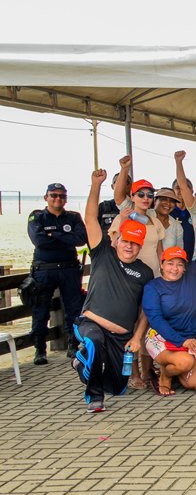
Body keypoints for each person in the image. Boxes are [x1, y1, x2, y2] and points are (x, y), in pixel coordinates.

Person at [72, 169, 154, 412]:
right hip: (92, 324)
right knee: (95, 343)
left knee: (118, 386)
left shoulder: (145, 272)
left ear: (140, 246)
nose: (129, 246)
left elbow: (144, 311)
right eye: (126, 241)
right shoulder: (102, 253)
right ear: (117, 240)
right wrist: (95, 185)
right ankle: (94, 398)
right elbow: (90, 219)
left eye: (135, 243)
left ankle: (82, 364)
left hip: (122, 337)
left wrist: (137, 337)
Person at [142, 201, 196, 396]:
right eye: (170, 264)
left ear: (185, 267)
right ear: (162, 265)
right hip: (163, 338)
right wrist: (181, 341)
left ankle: (177, 371)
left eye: (179, 265)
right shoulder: (153, 287)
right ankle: (165, 374)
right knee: (186, 361)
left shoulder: (192, 275)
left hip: (191, 337)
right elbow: (156, 320)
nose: (175, 268)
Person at [27, 181, 87, 364]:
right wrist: (64, 237)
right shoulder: (37, 217)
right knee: (41, 310)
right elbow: (39, 240)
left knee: (74, 309)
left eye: (61, 195)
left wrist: (54, 234)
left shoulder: (74, 217)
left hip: (69, 269)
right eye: (54, 195)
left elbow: (81, 239)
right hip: (44, 270)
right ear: (46, 197)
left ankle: (72, 345)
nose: (58, 198)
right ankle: (40, 350)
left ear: (66, 199)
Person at [110, 164, 166, 275]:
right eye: (141, 194)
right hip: (130, 275)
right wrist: (123, 221)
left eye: (150, 195)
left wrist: (163, 271)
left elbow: (159, 251)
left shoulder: (155, 222)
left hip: (153, 275)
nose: (146, 198)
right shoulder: (122, 217)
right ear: (132, 197)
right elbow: (113, 247)